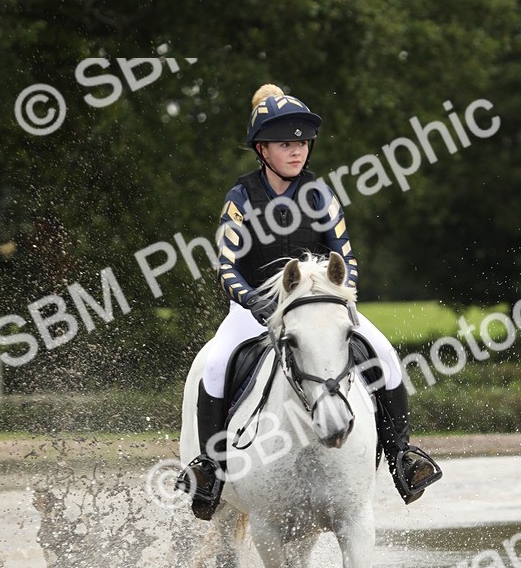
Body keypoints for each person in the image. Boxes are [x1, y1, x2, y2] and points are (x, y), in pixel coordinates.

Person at [178, 83, 442, 520]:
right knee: (217, 365)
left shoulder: (320, 194)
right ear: (262, 149)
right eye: (285, 144)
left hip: (319, 305)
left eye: (301, 143)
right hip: (255, 310)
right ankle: (210, 468)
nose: (296, 151)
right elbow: (227, 267)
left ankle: (401, 457)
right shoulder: (241, 198)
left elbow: (346, 257)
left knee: (386, 357)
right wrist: (259, 306)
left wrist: (337, 295)